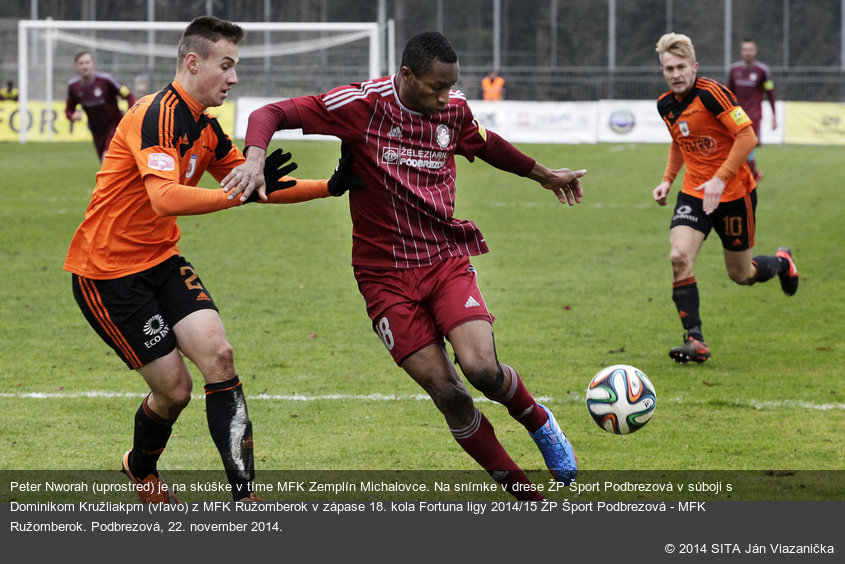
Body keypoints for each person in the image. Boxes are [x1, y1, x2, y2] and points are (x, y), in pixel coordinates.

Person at [223, 31, 585, 500]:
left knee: (481, 369)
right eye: (436, 87)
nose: (445, 97)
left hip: (443, 258)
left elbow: (487, 143)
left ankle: (538, 420)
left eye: (452, 87)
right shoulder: (362, 104)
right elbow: (268, 113)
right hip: (383, 278)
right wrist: (254, 159)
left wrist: (544, 175)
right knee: (449, 394)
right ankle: (527, 496)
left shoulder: (451, 111)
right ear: (407, 75)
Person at [64, 16, 353, 503]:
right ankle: (141, 467)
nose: (234, 78)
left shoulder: (206, 127)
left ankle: (246, 498)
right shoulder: (154, 115)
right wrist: (236, 196)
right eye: (226, 65)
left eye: (235, 66)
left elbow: (251, 185)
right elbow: (165, 198)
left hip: (161, 259)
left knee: (220, 356)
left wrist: (331, 187)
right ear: (193, 62)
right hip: (107, 274)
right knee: (174, 391)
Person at [652, 33, 798, 364]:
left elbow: (747, 136)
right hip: (693, 193)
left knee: (741, 274)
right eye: (669, 68)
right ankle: (695, 339)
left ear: (694, 67)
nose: (675, 74)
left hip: (734, 194)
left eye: (681, 67)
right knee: (678, 257)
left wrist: (719, 179)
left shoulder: (712, 94)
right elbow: (679, 142)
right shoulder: (665, 104)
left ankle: (781, 262)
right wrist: (666, 180)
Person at [65, 49, 136, 161]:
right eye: (81, 63)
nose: (85, 66)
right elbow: (68, 110)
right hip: (96, 132)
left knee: (107, 160)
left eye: (87, 62)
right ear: (76, 66)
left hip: (115, 127)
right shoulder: (73, 87)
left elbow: (129, 95)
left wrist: (130, 115)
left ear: (93, 63)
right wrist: (73, 116)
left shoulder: (106, 80)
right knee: (107, 168)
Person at [727, 39, 777, 181]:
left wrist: (774, 116)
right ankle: (748, 174)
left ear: (755, 51)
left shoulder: (763, 71)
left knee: (749, 146)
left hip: (753, 116)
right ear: (741, 52)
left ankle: (751, 175)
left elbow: (770, 93)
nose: (748, 52)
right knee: (734, 145)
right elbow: (728, 93)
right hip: (735, 115)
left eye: (750, 49)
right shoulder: (734, 70)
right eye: (745, 49)